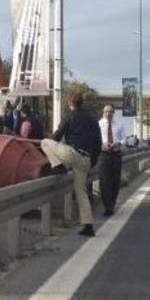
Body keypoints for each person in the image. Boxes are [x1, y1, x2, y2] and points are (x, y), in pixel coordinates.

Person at [40, 93, 102, 237]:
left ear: (70, 104)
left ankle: (57, 166)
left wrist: (53, 145)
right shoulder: (93, 120)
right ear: (82, 103)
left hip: (72, 154)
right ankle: (88, 226)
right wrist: (92, 161)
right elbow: (98, 143)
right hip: (86, 160)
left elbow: (56, 137)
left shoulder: (69, 116)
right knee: (81, 192)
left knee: (45, 142)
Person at [97, 104, 125, 216]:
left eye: (110, 111)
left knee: (115, 182)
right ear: (103, 113)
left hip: (116, 155)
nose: (108, 113)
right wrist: (103, 144)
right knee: (104, 182)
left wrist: (118, 143)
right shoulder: (98, 124)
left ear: (114, 113)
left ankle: (112, 203)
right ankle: (107, 207)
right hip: (103, 155)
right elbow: (95, 139)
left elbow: (124, 138)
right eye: (106, 111)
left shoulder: (119, 124)